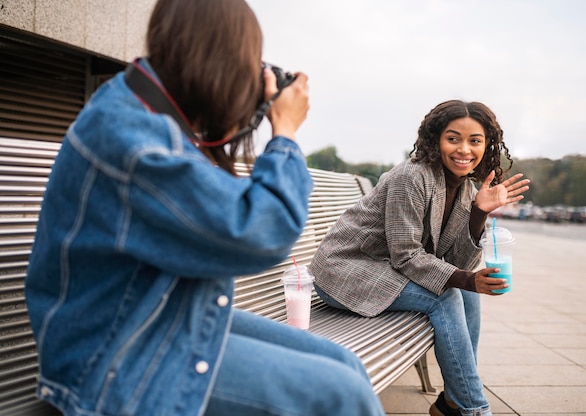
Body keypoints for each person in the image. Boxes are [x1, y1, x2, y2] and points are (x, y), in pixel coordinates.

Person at [24, 0, 385, 415]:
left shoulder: (140, 110)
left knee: (346, 364)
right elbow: (261, 234)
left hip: (155, 316)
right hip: (115, 357)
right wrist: (283, 133)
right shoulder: (134, 141)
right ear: (217, 57)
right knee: (340, 394)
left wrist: (245, 113)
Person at [309, 100, 531, 416]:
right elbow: (406, 255)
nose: (464, 149)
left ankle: (454, 401)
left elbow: (456, 263)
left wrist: (479, 212)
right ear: (435, 140)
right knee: (447, 296)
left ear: (487, 145)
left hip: (388, 271)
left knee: (465, 294)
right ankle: (472, 409)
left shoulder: (467, 188)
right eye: (453, 138)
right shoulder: (411, 177)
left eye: (475, 140)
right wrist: (467, 280)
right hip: (346, 271)